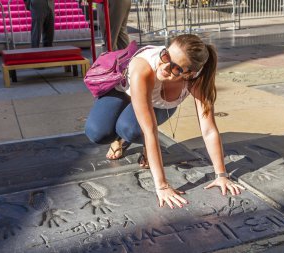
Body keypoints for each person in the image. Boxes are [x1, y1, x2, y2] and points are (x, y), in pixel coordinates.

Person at [84, 34, 244, 209]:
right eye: (166, 55)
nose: (164, 65)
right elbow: (149, 131)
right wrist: (162, 186)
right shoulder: (144, 67)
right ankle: (117, 139)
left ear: (190, 74)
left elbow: (209, 130)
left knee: (131, 129)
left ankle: (138, 143)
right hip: (124, 88)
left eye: (175, 67)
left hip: (159, 102)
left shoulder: (196, 80)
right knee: (98, 133)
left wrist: (221, 175)